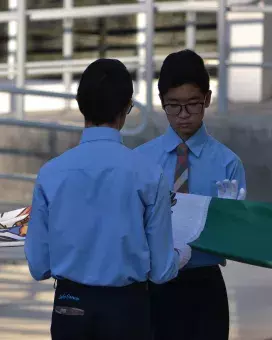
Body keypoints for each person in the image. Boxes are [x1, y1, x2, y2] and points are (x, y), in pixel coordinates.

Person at [24, 58, 191, 340]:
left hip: (69, 305)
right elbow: (162, 270)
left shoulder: (50, 174)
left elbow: (39, 265)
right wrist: (181, 255)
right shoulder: (148, 174)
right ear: (127, 108)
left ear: (80, 105)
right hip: (127, 310)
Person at [134, 49, 246, 340]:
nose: (183, 115)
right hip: (154, 280)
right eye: (173, 106)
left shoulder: (227, 163)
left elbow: (237, 240)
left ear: (207, 99)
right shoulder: (141, 160)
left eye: (193, 105)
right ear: (161, 103)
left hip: (204, 284)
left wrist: (232, 220)